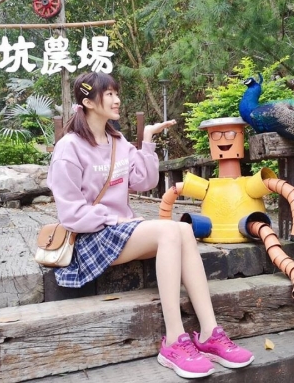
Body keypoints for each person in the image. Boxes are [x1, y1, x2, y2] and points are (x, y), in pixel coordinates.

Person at [47, 72, 254, 379]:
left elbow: (144, 181)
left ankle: (210, 333)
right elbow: (70, 214)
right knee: (169, 229)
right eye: (109, 94)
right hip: (92, 238)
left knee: (183, 229)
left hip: (121, 232)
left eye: (117, 93)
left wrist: (146, 143)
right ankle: (174, 341)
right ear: (88, 102)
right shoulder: (69, 148)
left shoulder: (117, 142)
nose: (117, 100)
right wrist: (113, 218)